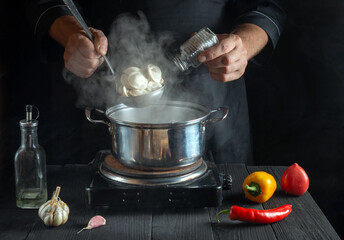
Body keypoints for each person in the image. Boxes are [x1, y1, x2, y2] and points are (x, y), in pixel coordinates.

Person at [25, 0, 286, 165]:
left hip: (212, 96)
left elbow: (268, 5)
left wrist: (242, 46)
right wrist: (73, 35)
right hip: (108, 101)